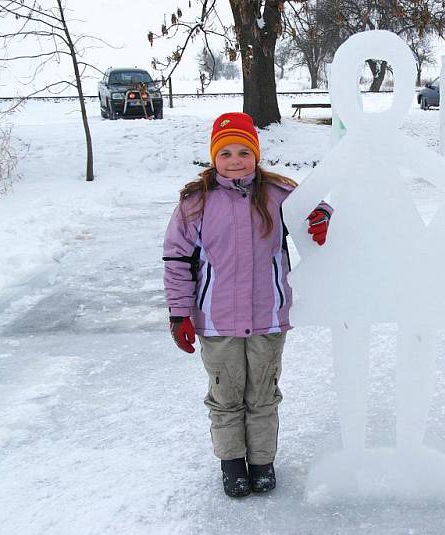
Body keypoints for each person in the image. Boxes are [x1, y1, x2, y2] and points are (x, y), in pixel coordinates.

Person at [162, 112, 331, 498]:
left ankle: (261, 463)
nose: (235, 160)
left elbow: (317, 207)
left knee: (263, 395)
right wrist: (178, 313)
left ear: (256, 154)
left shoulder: (277, 193)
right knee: (225, 397)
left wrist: (322, 215)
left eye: (243, 152)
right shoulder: (195, 203)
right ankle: (233, 464)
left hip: (267, 318)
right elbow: (175, 260)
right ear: (213, 157)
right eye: (225, 153)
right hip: (216, 322)